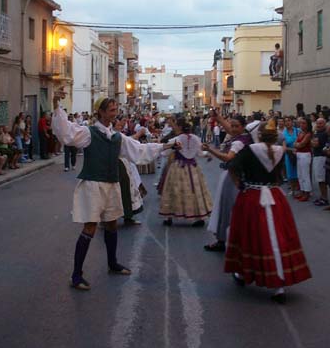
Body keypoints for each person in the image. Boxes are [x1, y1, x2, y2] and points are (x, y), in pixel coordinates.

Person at [52, 92, 165, 290]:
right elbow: (66, 133)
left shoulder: (117, 137)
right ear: (101, 112)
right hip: (93, 184)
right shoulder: (89, 133)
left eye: (115, 109)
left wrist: (168, 146)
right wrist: (56, 104)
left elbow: (139, 151)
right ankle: (76, 275)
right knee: (90, 227)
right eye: (112, 110)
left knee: (112, 224)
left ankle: (112, 264)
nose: (115, 113)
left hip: (112, 184)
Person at [224, 120, 312, 303]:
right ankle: (278, 283)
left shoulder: (250, 150)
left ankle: (243, 272)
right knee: (278, 236)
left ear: (259, 134)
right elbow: (279, 176)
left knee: (248, 235)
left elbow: (231, 166)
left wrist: (239, 184)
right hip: (275, 196)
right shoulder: (280, 151)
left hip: (252, 196)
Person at [204, 114, 252, 252]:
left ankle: (225, 240)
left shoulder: (239, 142)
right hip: (238, 176)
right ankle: (227, 239)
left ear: (243, 127)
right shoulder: (245, 136)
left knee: (227, 208)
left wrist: (210, 149)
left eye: (237, 126)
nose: (233, 129)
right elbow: (230, 129)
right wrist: (219, 118)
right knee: (228, 208)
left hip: (232, 177)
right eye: (233, 125)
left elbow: (227, 157)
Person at [159, 118, 212, 226]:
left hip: (178, 166)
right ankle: (198, 217)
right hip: (193, 168)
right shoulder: (196, 138)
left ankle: (169, 216)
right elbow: (200, 153)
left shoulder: (176, 139)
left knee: (173, 190)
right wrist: (208, 154)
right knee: (195, 191)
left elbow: (164, 153)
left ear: (179, 127)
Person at [293, 117, 312, 202]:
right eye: (301, 123)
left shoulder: (308, 134)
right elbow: (295, 143)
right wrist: (297, 144)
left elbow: (301, 144)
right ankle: (302, 191)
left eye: (304, 123)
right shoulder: (301, 133)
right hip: (299, 154)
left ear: (308, 125)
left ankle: (307, 192)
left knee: (305, 174)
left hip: (305, 155)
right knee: (300, 174)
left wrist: (297, 145)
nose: (302, 125)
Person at [311, 118, 329, 206]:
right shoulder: (317, 133)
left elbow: (315, 144)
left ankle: (324, 198)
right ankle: (322, 196)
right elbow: (313, 143)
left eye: (321, 123)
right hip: (317, 156)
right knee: (319, 178)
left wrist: (313, 142)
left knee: (321, 179)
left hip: (321, 157)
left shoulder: (324, 133)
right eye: (317, 123)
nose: (318, 125)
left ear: (325, 124)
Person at [282, 116, 299, 196]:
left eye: (289, 121)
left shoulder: (298, 130)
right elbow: (284, 147)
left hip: (298, 153)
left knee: (298, 172)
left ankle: (298, 188)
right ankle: (292, 189)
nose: (287, 122)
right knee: (290, 173)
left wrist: (297, 149)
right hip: (289, 155)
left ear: (292, 122)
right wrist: (292, 150)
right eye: (285, 121)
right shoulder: (283, 133)